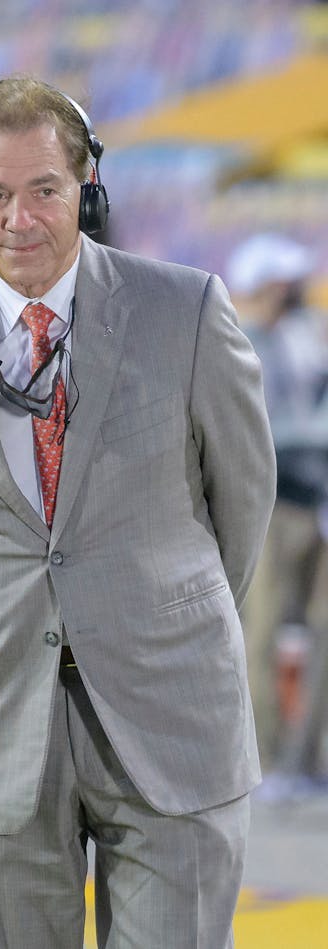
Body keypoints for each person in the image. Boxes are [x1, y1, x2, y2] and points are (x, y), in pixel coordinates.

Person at [0, 76, 274, 948]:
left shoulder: (188, 310)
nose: (19, 218)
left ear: (86, 187)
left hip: (172, 713)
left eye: (44, 189)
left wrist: (155, 615)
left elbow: (242, 506)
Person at [229, 232, 328, 803]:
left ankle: (309, 757)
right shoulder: (238, 342)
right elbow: (266, 428)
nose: (296, 289)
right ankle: (264, 760)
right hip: (269, 505)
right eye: (285, 280)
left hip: (316, 499)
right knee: (260, 633)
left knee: (320, 631)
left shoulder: (303, 338)